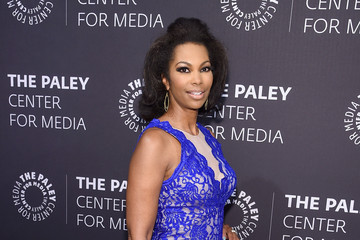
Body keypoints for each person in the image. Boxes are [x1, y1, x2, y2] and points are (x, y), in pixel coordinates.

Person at [126, 17, 238, 240]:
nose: (197, 79)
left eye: (204, 68)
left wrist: (219, 229)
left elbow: (201, 208)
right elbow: (139, 235)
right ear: (166, 80)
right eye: (184, 70)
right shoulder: (155, 141)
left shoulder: (209, 137)